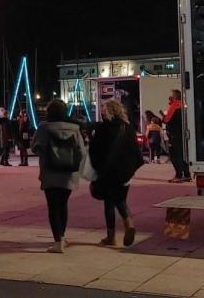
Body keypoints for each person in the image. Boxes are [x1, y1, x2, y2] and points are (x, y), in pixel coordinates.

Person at [32, 99, 85, 253]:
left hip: (50, 172)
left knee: (53, 207)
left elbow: (35, 147)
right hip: (68, 173)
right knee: (63, 205)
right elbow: (81, 151)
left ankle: (57, 241)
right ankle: (62, 237)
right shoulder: (75, 129)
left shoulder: (44, 128)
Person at [89, 99, 143, 247]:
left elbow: (95, 151)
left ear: (110, 111)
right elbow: (135, 152)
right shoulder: (127, 128)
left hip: (108, 172)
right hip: (125, 172)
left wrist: (97, 168)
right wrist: (130, 169)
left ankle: (113, 236)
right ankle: (127, 226)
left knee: (109, 204)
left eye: (104, 109)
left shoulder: (103, 128)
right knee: (120, 200)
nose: (102, 111)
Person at [163, 90, 191, 182]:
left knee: (174, 155)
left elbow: (166, 120)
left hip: (174, 135)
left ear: (174, 97)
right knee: (183, 154)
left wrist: (164, 115)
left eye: (170, 96)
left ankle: (178, 175)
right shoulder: (184, 105)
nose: (169, 98)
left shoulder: (174, 106)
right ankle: (187, 174)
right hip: (182, 134)